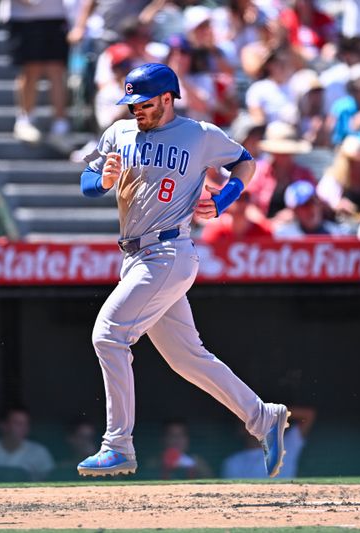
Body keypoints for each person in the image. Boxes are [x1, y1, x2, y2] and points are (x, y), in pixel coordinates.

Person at [77, 63, 290, 478]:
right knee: (187, 359)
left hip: (169, 251)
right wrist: (100, 180)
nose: (136, 109)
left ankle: (117, 444)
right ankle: (263, 417)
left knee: (108, 335)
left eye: (143, 102)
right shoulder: (119, 133)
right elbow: (87, 180)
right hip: (136, 255)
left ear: (168, 98)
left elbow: (245, 162)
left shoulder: (200, 134)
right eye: (131, 102)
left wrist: (226, 197)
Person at [0, 0, 71, 146]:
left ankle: (60, 126)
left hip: (56, 17)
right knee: (31, 69)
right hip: (23, 18)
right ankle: (25, 120)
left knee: (56, 70)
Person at [222, 406, 316, 479]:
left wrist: (266, 412)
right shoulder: (233, 462)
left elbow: (308, 415)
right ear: (241, 429)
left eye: (260, 421)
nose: (256, 424)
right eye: (249, 421)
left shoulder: (286, 445)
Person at [0, 406, 55, 482]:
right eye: (18, 423)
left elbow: (50, 480)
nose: (23, 428)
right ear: (3, 425)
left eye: (26, 424)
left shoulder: (40, 452)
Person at [273, 180, 345, 237]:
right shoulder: (284, 237)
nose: (312, 208)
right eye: (305, 205)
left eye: (314, 202)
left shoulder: (337, 234)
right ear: (294, 211)